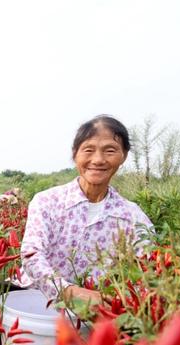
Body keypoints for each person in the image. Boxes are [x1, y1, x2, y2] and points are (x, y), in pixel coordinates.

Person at [20, 115, 153, 304]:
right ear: (75, 154)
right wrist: (68, 291)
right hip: (36, 300)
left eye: (110, 150)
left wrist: (125, 303)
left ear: (123, 156)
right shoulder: (47, 202)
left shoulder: (133, 216)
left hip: (99, 308)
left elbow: (148, 270)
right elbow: (31, 255)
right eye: (88, 150)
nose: (98, 160)